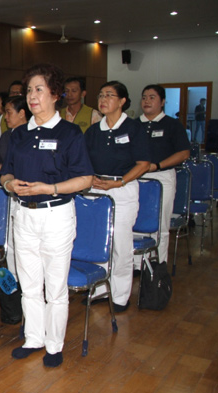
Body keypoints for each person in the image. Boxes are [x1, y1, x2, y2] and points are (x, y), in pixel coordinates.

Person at [0, 64, 93, 368]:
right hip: (24, 215)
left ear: (55, 95)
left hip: (56, 215)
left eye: (39, 89)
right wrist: (9, 183)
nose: (32, 96)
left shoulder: (69, 133)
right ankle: (33, 337)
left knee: (54, 287)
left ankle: (54, 344)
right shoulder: (18, 135)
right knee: (29, 284)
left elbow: (85, 179)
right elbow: (6, 171)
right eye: (28, 90)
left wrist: (50, 187)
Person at [85, 81, 150, 312]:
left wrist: (119, 181)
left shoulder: (134, 129)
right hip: (96, 189)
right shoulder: (93, 131)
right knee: (97, 242)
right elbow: (83, 161)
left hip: (123, 187)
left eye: (109, 95)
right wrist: (90, 178)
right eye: (100, 94)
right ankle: (100, 289)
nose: (103, 99)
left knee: (120, 244)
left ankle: (121, 295)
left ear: (122, 101)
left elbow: (144, 164)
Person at [137, 84, 190, 267]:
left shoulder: (172, 125)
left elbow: (183, 153)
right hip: (136, 179)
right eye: (144, 97)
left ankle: (159, 265)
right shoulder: (134, 125)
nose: (147, 101)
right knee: (136, 221)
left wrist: (157, 165)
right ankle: (137, 263)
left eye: (152, 97)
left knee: (160, 222)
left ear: (162, 102)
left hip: (162, 177)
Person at [0, 96, 31, 274]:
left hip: (28, 195)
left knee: (27, 245)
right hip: (9, 192)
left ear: (22, 113)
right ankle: (14, 283)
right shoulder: (7, 136)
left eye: (9, 112)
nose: (5, 117)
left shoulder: (31, 135)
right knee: (12, 241)